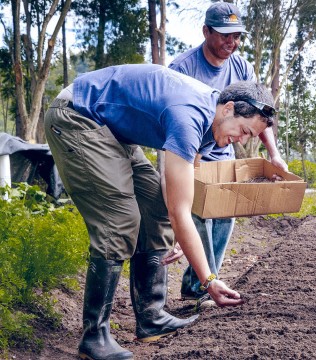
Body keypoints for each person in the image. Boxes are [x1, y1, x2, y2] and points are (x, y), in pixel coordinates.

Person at [44, 63, 276, 359]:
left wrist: (179, 228)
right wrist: (208, 280)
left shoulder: (212, 121)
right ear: (229, 108)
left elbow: (176, 187)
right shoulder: (189, 116)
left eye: (249, 137)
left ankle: (151, 317)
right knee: (120, 219)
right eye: (243, 131)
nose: (241, 141)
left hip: (113, 130)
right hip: (77, 116)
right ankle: (94, 336)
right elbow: (180, 212)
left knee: (154, 208)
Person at [164, 1, 288, 308]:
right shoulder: (184, 67)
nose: (230, 43)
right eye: (223, 35)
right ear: (206, 31)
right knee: (198, 215)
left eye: (236, 36)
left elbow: (257, 114)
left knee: (224, 217)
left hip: (221, 150)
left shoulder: (241, 67)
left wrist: (274, 153)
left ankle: (197, 284)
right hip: (188, 149)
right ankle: (206, 285)